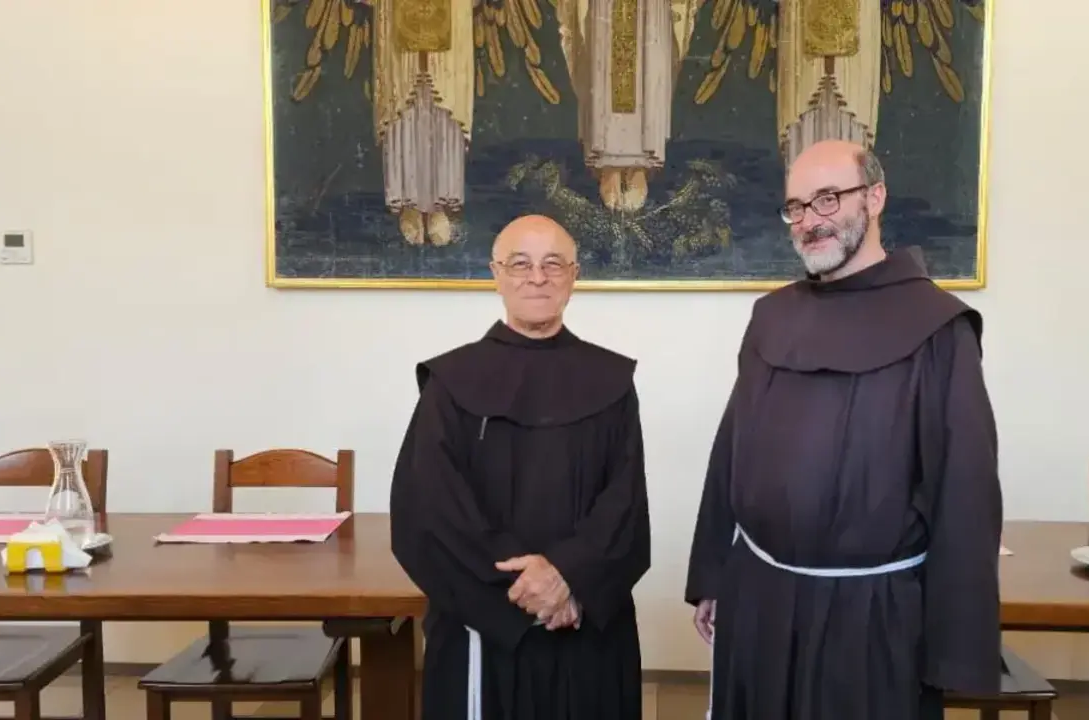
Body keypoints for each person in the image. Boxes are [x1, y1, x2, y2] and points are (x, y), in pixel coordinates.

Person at [684, 139, 1003, 719]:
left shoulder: (938, 328)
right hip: (761, 598)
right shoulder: (772, 316)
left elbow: (965, 490)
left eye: (828, 199)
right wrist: (712, 571)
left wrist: (954, 645)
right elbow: (731, 449)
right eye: (797, 207)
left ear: (875, 197)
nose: (810, 220)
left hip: (871, 616)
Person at [390, 214, 652, 720]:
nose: (537, 278)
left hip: (586, 625)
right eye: (520, 264)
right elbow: (430, 511)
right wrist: (527, 593)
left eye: (553, 264)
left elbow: (624, 507)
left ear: (574, 276)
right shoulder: (450, 383)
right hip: (483, 630)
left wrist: (568, 578)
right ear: (496, 274)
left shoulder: (612, 382)